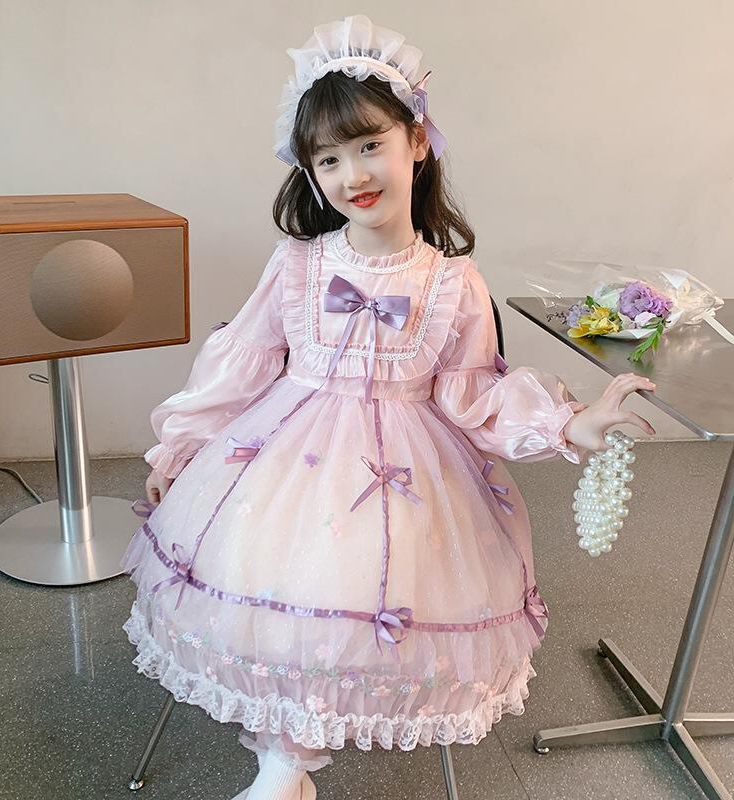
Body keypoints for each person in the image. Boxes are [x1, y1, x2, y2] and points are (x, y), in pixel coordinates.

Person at [122, 15, 656, 800]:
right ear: (309, 173)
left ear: (418, 140)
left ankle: (291, 759)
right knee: (282, 590)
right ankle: (286, 760)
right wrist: (178, 448)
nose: (353, 174)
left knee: (372, 589)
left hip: (411, 471)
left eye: (369, 144)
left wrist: (569, 423)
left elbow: (474, 392)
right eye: (327, 159)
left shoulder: (453, 282)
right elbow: (238, 367)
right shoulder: (298, 265)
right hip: (285, 459)